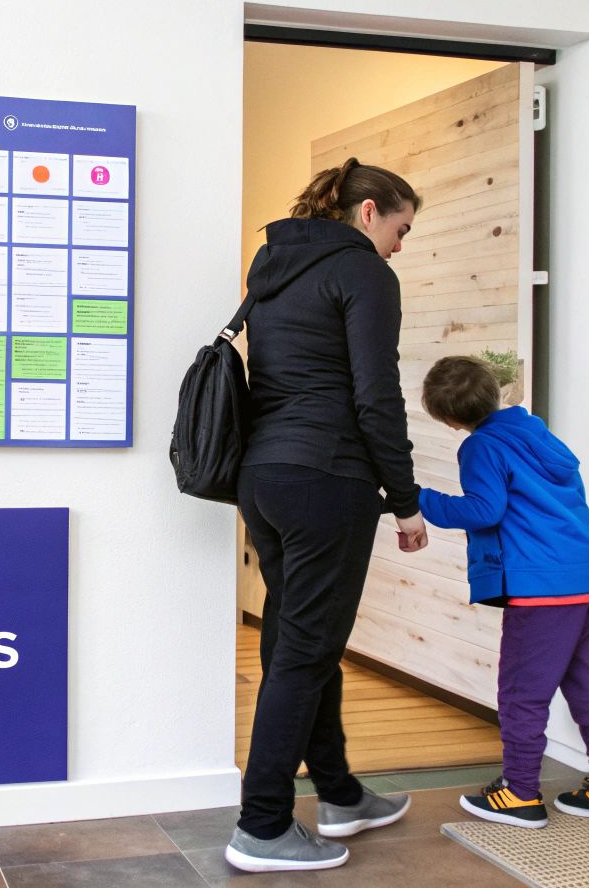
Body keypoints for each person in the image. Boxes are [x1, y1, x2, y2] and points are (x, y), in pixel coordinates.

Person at [224, 158, 429, 873]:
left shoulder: (272, 264)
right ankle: (262, 826)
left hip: (265, 476)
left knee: (297, 641)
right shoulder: (366, 273)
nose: (401, 245)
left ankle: (340, 794)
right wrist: (404, 501)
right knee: (306, 652)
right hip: (327, 476)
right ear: (369, 211)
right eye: (401, 228)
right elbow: (377, 397)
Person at [415, 354, 589, 829]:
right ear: (493, 392)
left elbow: (483, 510)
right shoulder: (538, 433)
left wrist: (417, 498)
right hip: (584, 581)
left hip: (539, 588)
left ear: (449, 418)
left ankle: (519, 792)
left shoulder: (481, 447)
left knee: (522, 692)